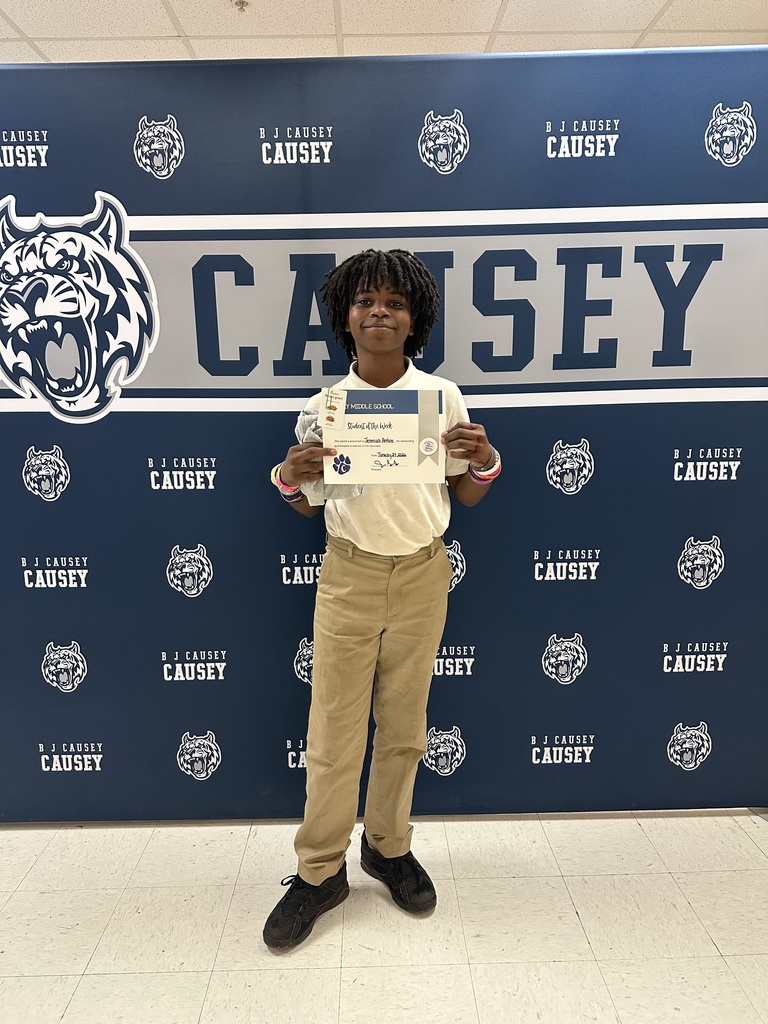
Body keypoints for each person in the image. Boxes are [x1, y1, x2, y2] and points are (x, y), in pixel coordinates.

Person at [264, 249, 500, 950]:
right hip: (350, 574)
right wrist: (289, 476)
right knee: (333, 733)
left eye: (395, 303)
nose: (379, 312)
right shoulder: (325, 408)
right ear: (345, 317)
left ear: (414, 319)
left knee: (404, 727)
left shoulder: (442, 397)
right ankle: (319, 871)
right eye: (365, 301)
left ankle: (388, 848)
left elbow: (465, 492)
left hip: (424, 573)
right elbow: (309, 504)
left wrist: (485, 460)